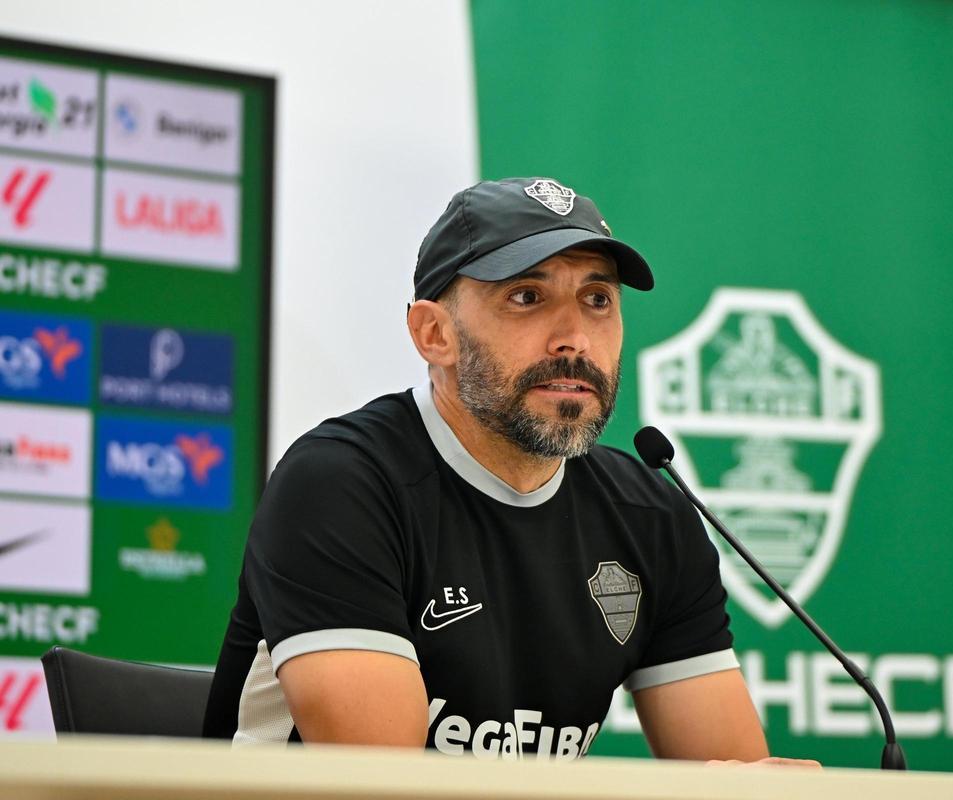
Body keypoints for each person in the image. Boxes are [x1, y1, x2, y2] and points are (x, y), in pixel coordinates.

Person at [203, 177, 811, 765]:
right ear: (433, 333)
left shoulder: (652, 517)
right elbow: (384, 785)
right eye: (527, 297)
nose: (573, 338)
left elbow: (734, 778)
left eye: (597, 300)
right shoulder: (342, 485)